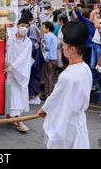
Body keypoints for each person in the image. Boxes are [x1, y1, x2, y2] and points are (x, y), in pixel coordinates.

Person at [38, 21, 92, 149]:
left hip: (66, 125)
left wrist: (44, 109)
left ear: (72, 49)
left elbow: (56, 98)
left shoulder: (67, 76)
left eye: (64, 45)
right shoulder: (85, 68)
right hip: (78, 122)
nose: (62, 48)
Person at [5, 15, 33, 133]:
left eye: (26, 26)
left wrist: (13, 66)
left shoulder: (28, 42)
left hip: (21, 72)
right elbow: (7, 52)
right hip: (10, 72)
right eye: (22, 25)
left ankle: (19, 119)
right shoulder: (11, 39)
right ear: (17, 26)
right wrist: (7, 64)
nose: (24, 28)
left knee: (19, 95)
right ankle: (13, 117)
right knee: (12, 94)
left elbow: (23, 57)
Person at [41, 21, 59, 98]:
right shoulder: (53, 36)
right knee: (52, 77)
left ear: (48, 28)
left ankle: (49, 94)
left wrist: (42, 42)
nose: (43, 28)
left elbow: (47, 48)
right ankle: (50, 95)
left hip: (48, 59)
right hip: (54, 58)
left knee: (47, 77)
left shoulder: (47, 35)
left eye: (44, 27)